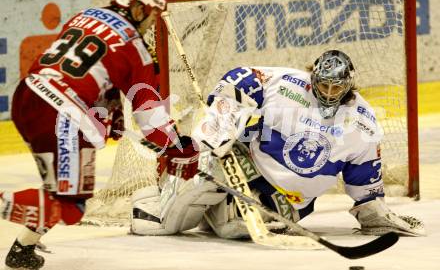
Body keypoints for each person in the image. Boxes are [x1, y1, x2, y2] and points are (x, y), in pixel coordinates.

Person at [0, 0, 199, 269]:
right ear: (138, 8)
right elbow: (151, 119)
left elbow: (92, 68)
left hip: (28, 95)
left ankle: (22, 251)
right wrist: (175, 147)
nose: (150, 22)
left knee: (61, 191)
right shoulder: (137, 49)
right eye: (151, 13)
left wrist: (111, 109)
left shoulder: (85, 16)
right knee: (70, 206)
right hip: (64, 113)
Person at [131, 49, 425, 239]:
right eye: (324, 85)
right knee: (205, 174)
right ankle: (156, 209)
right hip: (244, 167)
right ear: (313, 78)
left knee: (234, 227)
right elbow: (241, 79)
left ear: (350, 85)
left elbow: (365, 185)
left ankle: (213, 206)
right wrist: (216, 134)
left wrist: (374, 212)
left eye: (337, 87)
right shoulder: (286, 84)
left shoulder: (363, 122)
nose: (330, 92)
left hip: (286, 203)